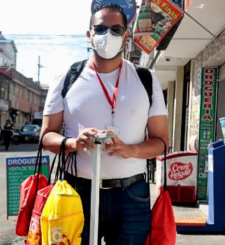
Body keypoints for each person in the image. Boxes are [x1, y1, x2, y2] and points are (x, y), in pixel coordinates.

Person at [40, 3, 168, 245]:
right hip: (77, 192)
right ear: (89, 34)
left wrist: (132, 150)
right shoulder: (67, 77)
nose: (107, 36)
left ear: (126, 36)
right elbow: (46, 136)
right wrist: (72, 143)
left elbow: (161, 142)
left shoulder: (145, 79)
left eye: (116, 30)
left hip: (132, 195)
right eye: (100, 29)